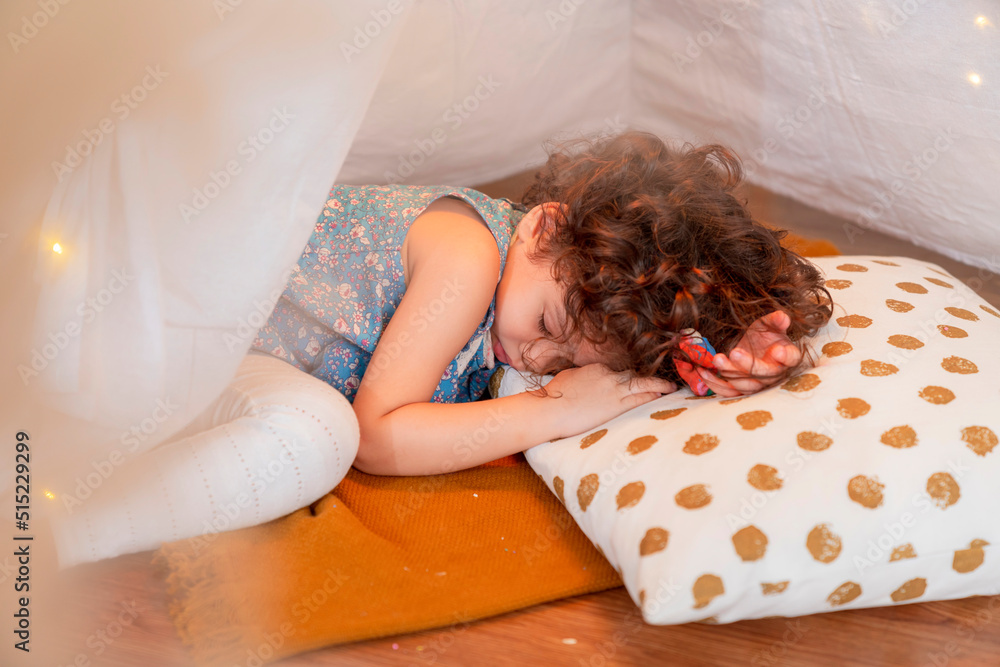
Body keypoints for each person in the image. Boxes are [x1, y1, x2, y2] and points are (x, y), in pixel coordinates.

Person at [47, 129, 831, 567]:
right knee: (340, 434)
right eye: (550, 329)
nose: (530, 359)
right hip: (153, 309)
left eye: (561, 362)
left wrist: (727, 343)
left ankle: (66, 534)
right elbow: (383, 435)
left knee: (311, 438)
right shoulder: (468, 257)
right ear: (544, 225)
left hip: (226, 367)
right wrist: (551, 409)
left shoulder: (543, 298)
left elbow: (650, 351)